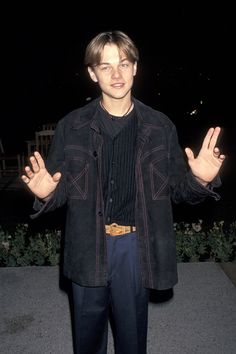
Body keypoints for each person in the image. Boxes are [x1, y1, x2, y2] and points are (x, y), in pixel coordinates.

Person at [21, 31, 225, 354]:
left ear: (135, 68)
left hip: (134, 248)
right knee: (87, 343)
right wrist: (46, 194)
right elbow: (60, 193)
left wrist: (199, 180)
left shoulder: (160, 127)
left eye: (124, 64)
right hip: (88, 244)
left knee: (132, 342)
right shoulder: (71, 127)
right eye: (106, 67)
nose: (116, 74)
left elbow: (176, 191)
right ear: (92, 73)